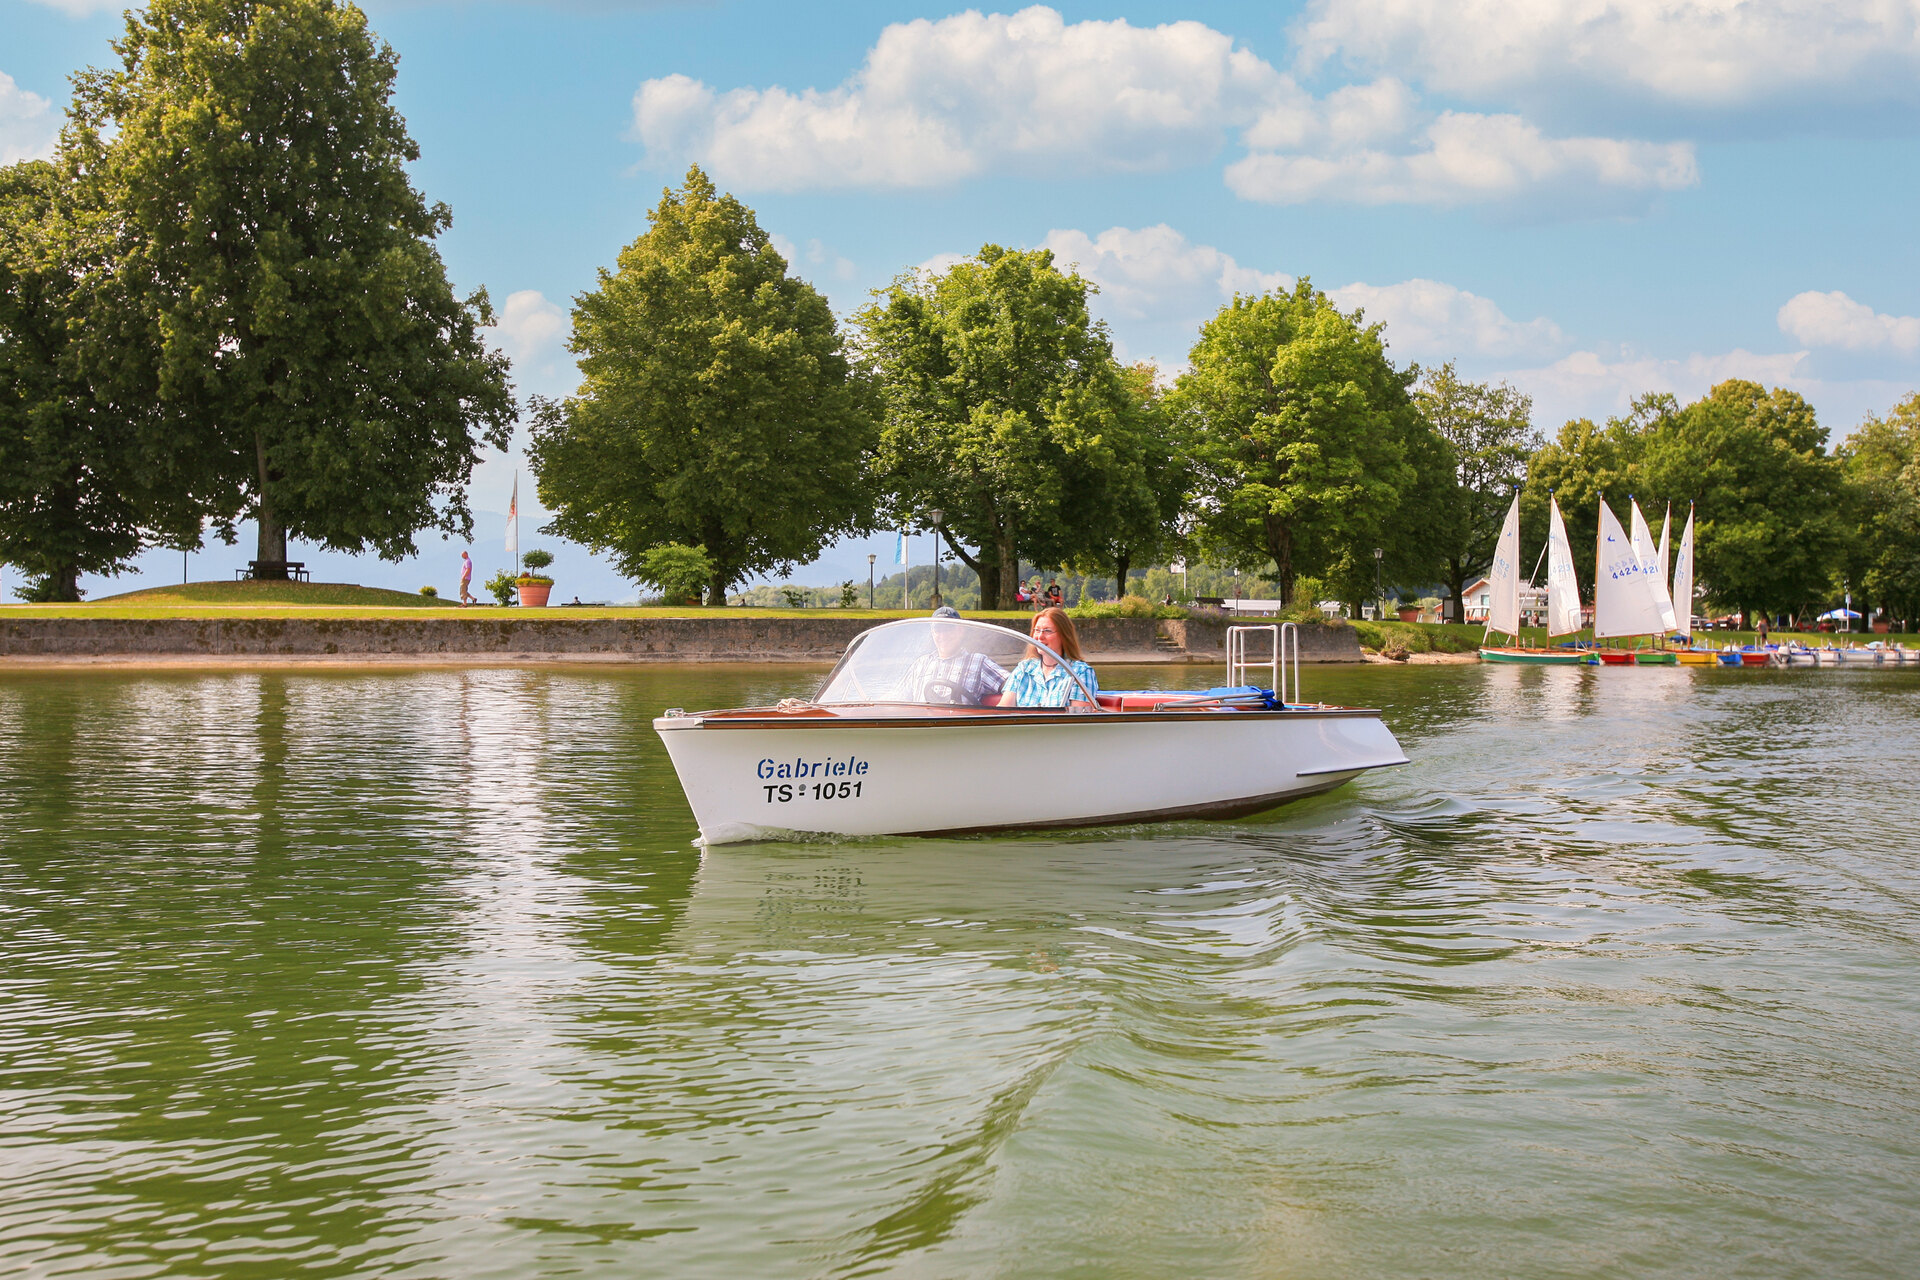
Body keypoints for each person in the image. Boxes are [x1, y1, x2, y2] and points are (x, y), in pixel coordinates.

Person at [995, 607, 1099, 709]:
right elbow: (1004, 709)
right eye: (1037, 630)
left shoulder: (1080, 672)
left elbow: (1079, 721)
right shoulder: (1024, 668)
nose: (1040, 636)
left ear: (1064, 636)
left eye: (1047, 631)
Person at [902, 606, 1008, 706]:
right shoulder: (920, 663)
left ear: (960, 630)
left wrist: (1004, 706)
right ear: (932, 633)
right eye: (938, 629)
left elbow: (1014, 684)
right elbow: (898, 697)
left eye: (948, 628)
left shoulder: (979, 662)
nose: (943, 635)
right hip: (920, 722)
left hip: (959, 723)